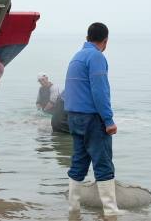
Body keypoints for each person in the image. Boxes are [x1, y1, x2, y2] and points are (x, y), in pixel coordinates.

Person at [64, 22, 123, 216]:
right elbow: (100, 91)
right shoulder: (96, 57)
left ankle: (73, 209)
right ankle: (111, 212)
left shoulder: (76, 57)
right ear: (105, 41)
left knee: (79, 162)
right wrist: (108, 120)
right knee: (103, 162)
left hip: (73, 117)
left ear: (87, 37)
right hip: (92, 118)